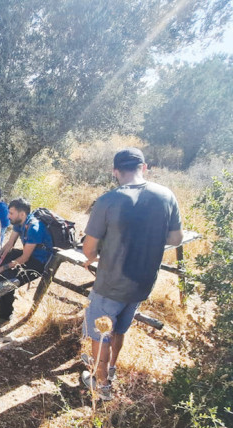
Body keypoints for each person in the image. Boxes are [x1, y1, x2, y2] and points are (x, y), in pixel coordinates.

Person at [80, 148, 183, 401]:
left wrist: (94, 256)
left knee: (101, 331)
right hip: (143, 282)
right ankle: (111, 368)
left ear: (115, 171)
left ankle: (100, 382)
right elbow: (175, 238)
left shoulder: (108, 200)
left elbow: (89, 249)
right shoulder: (166, 195)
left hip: (111, 282)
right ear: (144, 168)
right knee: (121, 329)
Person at [0, 198, 53, 328]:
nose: (8, 216)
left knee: (7, 280)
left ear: (22, 214)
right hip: (29, 255)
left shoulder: (34, 228)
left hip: (39, 262)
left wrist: (2, 268)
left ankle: (4, 316)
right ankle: (2, 301)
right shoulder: (19, 223)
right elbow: (10, 244)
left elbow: (25, 258)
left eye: (11, 213)